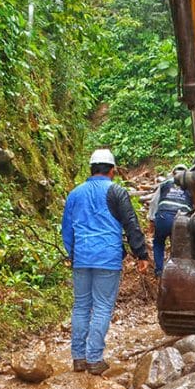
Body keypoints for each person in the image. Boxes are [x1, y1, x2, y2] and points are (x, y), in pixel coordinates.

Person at [61, 148, 150, 375]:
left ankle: (78, 358)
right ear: (112, 171)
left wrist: (72, 254)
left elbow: (67, 229)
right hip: (107, 258)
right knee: (101, 307)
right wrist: (141, 254)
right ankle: (94, 358)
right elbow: (131, 224)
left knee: (81, 306)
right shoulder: (116, 192)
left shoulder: (75, 193)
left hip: (82, 257)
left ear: (91, 169)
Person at [146, 164, 194, 277]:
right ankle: (176, 273)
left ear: (173, 173)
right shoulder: (191, 185)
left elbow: (154, 202)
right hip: (181, 219)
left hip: (163, 217)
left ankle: (159, 271)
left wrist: (151, 219)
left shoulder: (165, 184)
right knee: (178, 247)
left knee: (158, 242)